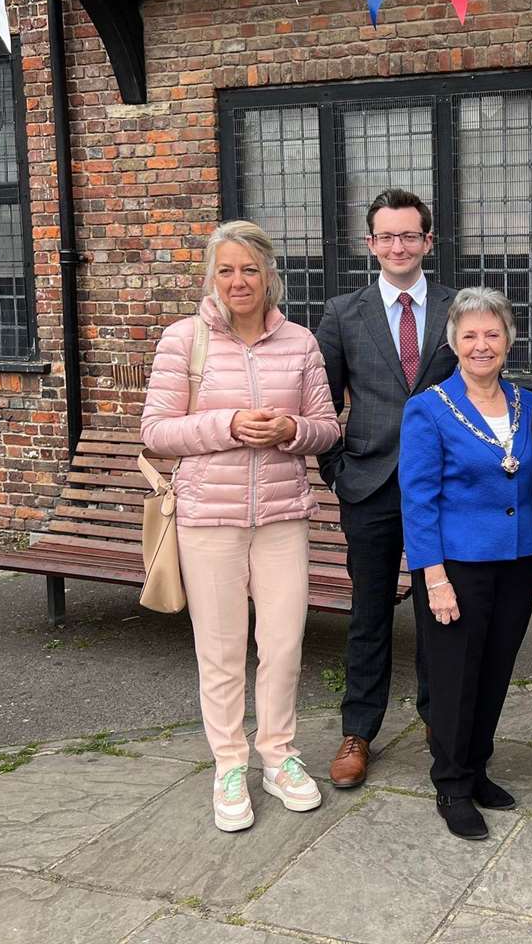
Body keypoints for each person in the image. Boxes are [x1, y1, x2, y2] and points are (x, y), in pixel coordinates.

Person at [141, 220, 342, 833]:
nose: (238, 281)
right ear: (212, 276)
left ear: (269, 274)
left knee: (282, 646)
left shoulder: (300, 342)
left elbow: (328, 426)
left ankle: (277, 755)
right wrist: (227, 424)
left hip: (282, 516)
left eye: (249, 269)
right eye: (226, 270)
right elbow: (156, 431)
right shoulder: (184, 340)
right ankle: (229, 762)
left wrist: (291, 431)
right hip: (211, 520)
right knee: (222, 652)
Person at [399, 287, 532, 840]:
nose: (482, 345)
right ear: (453, 343)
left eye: (493, 333)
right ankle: (451, 782)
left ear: (509, 341)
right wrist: (433, 577)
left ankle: (478, 767)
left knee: (494, 673)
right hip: (456, 569)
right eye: (470, 335)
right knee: (453, 678)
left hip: (515, 561)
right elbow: (417, 501)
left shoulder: (528, 404)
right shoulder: (428, 409)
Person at [315, 189, 457, 789]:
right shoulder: (343, 314)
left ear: (428, 241)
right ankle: (359, 729)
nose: (399, 246)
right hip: (369, 484)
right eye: (386, 236)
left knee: (440, 610)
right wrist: (337, 471)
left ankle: (440, 720)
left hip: (444, 489)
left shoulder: (459, 308)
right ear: (370, 244)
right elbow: (318, 401)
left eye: (410, 235)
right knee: (369, 613)